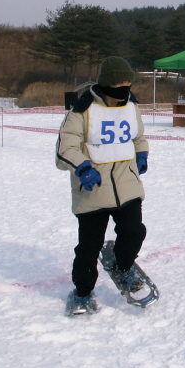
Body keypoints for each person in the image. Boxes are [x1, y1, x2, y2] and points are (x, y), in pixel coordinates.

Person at [56, 56, 150, 315]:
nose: (124, 89)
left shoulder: (131, 106)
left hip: (127, 183)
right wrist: (83, 168)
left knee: (134, 232)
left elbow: (138, 137)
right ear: (107, 83)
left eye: (128, 83)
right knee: (88, 248)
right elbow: (65, 148)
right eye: (120, 84)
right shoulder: (82, 110)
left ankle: (124, 266)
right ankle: (82, 293)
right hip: (93, 190)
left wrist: (142, 154)